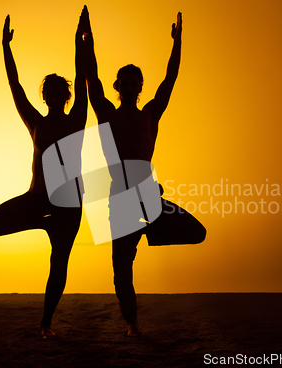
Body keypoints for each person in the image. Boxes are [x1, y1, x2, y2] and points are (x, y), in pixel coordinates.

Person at [82, 7, 206, 337]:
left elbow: (170, 79)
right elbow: (91, 79)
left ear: (140, 87)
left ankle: (149, 231)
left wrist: (177, 42)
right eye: (126, 81)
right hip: (120, 197)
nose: (132, 85)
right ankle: (132, 324)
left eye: (137, 82)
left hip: (148, 196)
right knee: (121, 268)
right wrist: (87, 42)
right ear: (118, 85)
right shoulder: (107, 113)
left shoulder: (150, 113)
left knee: (197, 232)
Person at [0, 12, 87, 338]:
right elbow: (15, 85)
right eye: (49, 91)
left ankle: (45, 325)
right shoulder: (36, 122)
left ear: (66, 97)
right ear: (45, 96)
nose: (55, 95)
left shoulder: (77, 118)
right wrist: (5, 47)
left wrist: (79, 38)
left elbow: (81, 75)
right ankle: (41, 221)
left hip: (69, 204)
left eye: (59, 91)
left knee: (59, 264)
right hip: (37, 198)